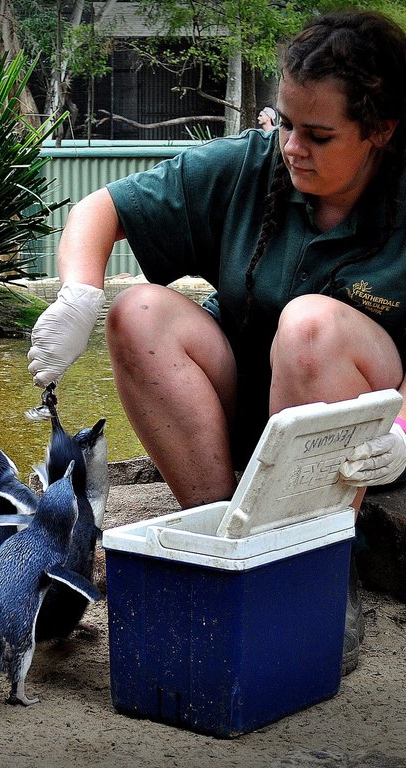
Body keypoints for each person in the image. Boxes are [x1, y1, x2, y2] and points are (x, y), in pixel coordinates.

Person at [27, 10, 406, 675]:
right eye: (285, 123)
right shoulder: (255, 168)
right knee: (138, 312)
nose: (292, 147)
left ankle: (318, 569)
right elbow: (100, 209)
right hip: (253, 411)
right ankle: (223, 538)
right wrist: (79, 294)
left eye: (318, 135)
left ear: (381, 131)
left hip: (371, 441)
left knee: (311, 326)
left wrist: (404, 425)